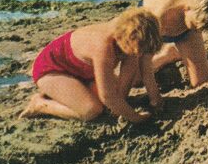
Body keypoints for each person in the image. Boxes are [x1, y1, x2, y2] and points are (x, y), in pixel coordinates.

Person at [21, 7, 162, 123]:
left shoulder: (131, 30)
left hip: (84, 71)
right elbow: (107, 96)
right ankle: (40, 105)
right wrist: (135, 117)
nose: (138, 55)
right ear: (125, 39)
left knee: (113, 99)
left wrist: (124, 100)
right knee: (92, 110)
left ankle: (68, 91)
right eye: (137, 51)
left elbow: (134, 70)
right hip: (52, 70)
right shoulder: (103, 46)